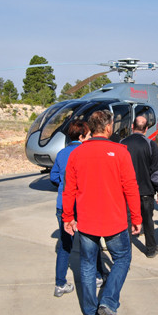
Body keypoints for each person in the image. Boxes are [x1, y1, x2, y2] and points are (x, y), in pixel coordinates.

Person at [62, 109, 142, 315]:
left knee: (87, 265)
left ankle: (90, 312)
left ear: (90, 128)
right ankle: (107, 301)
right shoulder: (120, 152)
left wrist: (68, 216)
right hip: (114, 220)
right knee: (123, 258)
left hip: (86, 221)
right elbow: (131, 188)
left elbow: (69, 189)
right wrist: (136, 217)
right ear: (108, 128)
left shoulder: (76, 154)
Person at [49, 121, 105, 297]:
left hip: (63, 205)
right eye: (88, 135)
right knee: (91, 243)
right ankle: (97, 276)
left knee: (65, 246)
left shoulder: (61, 154)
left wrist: (65, 186)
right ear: (81, 137)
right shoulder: (86, 152)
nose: (90, 137)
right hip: (83, 205)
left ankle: (60, 283)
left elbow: (54, 177)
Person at [121, 115, 158, 258]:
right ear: (146, 129)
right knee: (148, 220)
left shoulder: (122, 144)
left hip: (125, 191)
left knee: (126, 222)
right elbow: (156, 171)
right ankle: (151, 248)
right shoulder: (151, 145)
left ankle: (126, 253)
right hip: (145, 190)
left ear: (132, 127)